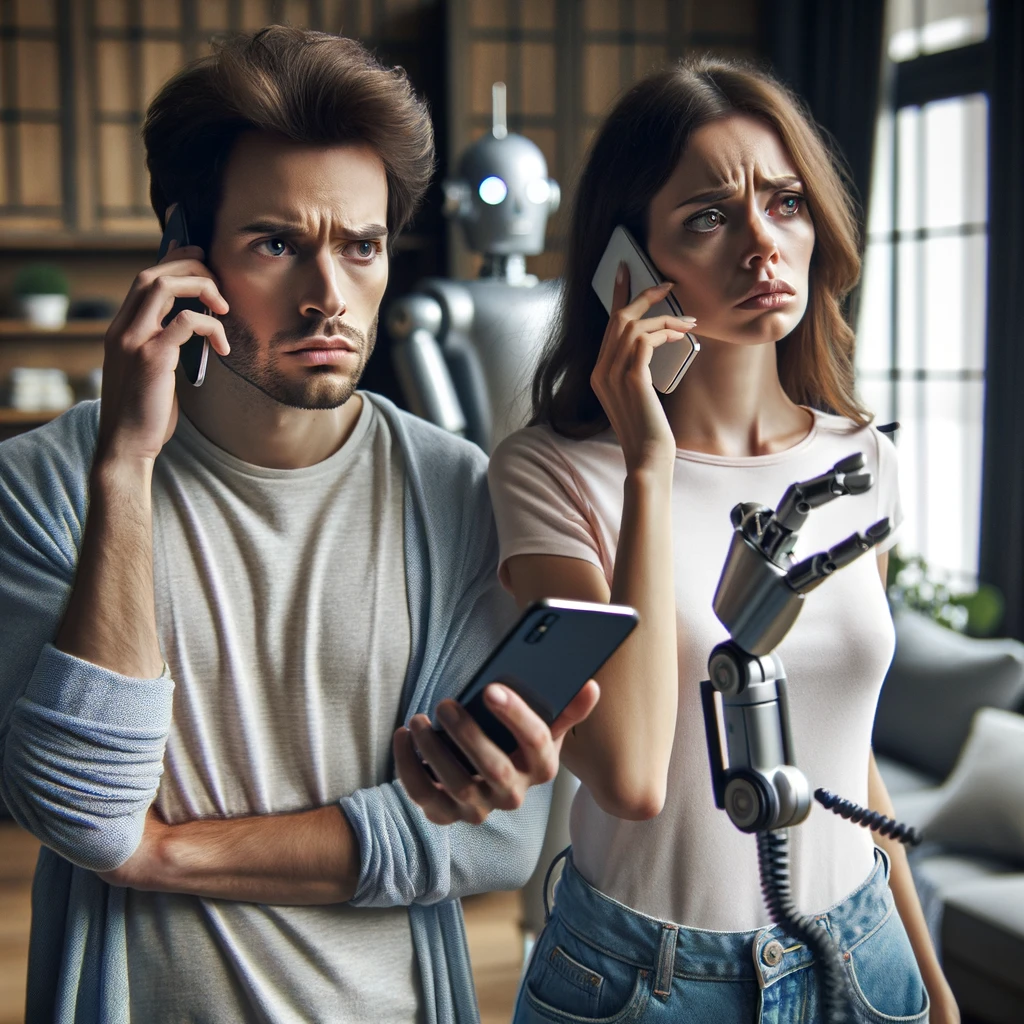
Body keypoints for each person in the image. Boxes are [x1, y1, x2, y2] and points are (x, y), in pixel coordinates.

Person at [0, 27, 597, 1024]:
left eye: (359, 246)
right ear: (184, 252)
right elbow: (86, 814)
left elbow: (494, 842)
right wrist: (125, 469)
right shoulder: (49, 485)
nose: (330, 295)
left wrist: (168, 851)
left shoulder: (457, 491)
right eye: (277, 243)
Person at [488, 57, 961, 1023]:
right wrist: (648, 467)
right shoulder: (550, 473)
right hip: (644, 979)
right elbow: (627, 773)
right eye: (709, 217)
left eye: (785, 203)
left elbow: (841, 754)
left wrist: (928, 976)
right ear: (630, 265)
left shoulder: (864, 458)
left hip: (860, 954)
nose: (763, 246)